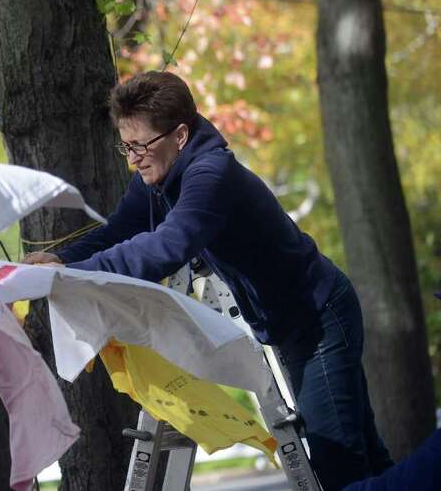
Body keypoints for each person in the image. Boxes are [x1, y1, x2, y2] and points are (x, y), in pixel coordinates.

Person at [24, 71, 393, 490]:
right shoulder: (159, 177)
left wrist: (72, 273)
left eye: (141, 146)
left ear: (180, 136)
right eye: (125, 146)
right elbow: (118, 230)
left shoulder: (209, 174)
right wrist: (61, 258)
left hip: (319, 317)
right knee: (366, 456)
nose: (133, 159)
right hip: (294, 322)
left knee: (339, 464)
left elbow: (169, 246)